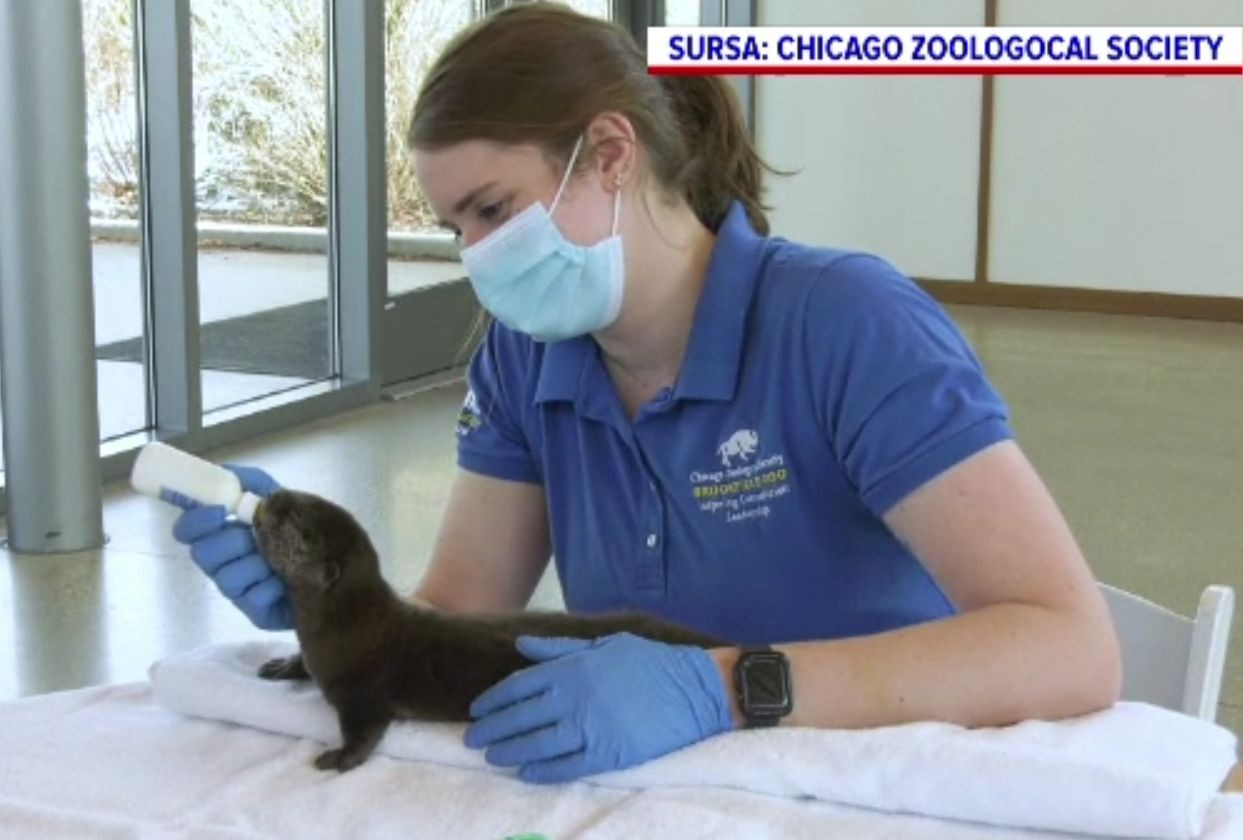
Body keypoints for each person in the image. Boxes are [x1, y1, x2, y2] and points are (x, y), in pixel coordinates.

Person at [171, 4, 1121, 785]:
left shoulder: (844, 323)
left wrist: (721, 687)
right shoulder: (524, 358)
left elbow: (1070, 648)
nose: (474, 258)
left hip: (875, 784)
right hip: (667, 792)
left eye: (492, 211)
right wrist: (334, 600)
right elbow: (454, 613)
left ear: (612, 154)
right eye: (455, 226)